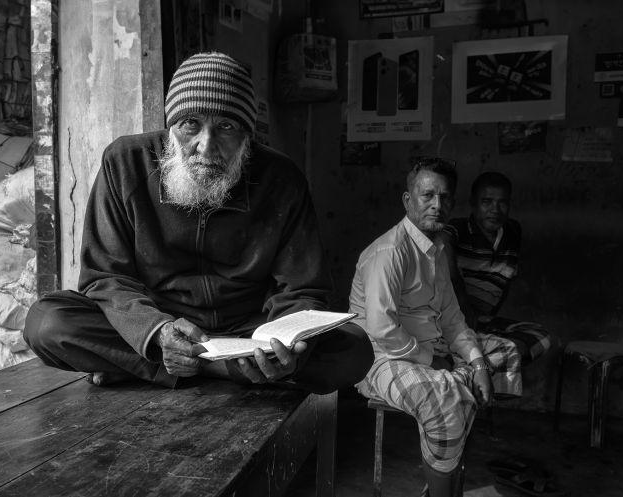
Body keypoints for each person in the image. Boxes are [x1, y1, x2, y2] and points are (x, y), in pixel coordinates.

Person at [24, 52, 373, 393]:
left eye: (226, 127)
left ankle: (162, 369)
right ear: (171, 127)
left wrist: (285, 350)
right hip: (161, 325)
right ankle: (215, 369)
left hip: (249, 334)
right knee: (48, 322)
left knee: (353, 350)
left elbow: (303, 289)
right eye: (191, 124)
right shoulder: (124, 163)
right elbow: (105, 277)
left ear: (247, 136)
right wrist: (157, 332)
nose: (206, 146)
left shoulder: (282, 180)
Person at [349, 158, 521, 497]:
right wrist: (433, 361)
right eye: (427, 195)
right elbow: (382, 329)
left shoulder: (438, 250)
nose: (437, 205)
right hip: (381, 358)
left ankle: (451, 439)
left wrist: (477, 363)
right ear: (407, 200)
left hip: (430, 347)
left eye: (444, 197)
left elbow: (453, 317)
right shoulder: (389, 251)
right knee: (444, 398)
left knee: (505, 352)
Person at [440, 172, 552, 365]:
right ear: (473, 204)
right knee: (502, 350)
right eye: (486, 202)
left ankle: (483, 362)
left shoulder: (512, 232)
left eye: (502, 203)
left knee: (541, 337)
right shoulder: (457, 230)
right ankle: (483, 363)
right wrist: (465, 309)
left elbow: (505, 280)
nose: (495, 210)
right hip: (453, 322)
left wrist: (483, 319)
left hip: (483, 322)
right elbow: (442, 242)